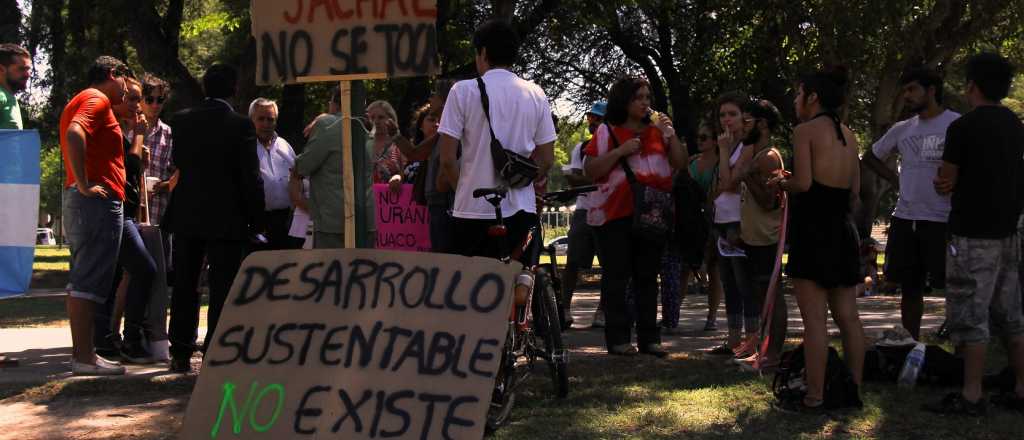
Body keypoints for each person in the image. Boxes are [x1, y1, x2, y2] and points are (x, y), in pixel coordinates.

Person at [927, 52, 1024, 416]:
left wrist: (945, 183)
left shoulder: (962, 128)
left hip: (972, 232)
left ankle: (971, 394)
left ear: (972, 86)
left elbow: (946, 179)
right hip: (1008, 230)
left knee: (971, 313)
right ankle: (1019, 387)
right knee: (1011, 312)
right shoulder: (1015, 125)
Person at [773, 67, 865, 412]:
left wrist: (784, 183)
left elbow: (805, 184)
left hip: (814, 229)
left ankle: (814, 396)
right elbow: (855, 193)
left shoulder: (804, 131)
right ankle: (852, 389)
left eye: (798, 94)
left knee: (815, 320)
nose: (796, 101)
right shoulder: (850, 134)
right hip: (842, 228)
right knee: (849, 317)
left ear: (812, 97)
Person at [163, 64, 265, 373]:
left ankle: (180, 351)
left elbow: (178, 162)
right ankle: (215, 350)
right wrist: (256, 220)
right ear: (234, 89)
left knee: (184, 283)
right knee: (222, 286)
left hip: (187, 213)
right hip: (227, 216)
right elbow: (250, 176)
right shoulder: (241, 126)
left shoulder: (181, 121)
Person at [583, 76, 688, 357]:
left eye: (647, 98)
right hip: (614, 214)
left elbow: (680, 163)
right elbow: (591, 170)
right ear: (624, 101)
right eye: (638, 97)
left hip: (652, 213)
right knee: (616, 276)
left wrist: (670, 133)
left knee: (646, 276)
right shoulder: (607, 131)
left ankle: (649, 339)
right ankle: (618, 339)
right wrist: (620, 151)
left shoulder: (656, 131)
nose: (645, 103)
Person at [437, 19, 555, 259]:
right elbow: (546, 159)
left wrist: (466, 191)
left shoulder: (462, 91)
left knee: (470, 288)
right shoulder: (535, 93)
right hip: (522, 209)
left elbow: (447, 160)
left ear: (482, 53)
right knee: (518, 279)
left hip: (472, 213)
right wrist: (522, 182)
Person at [862, 67, 959, 340]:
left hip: (944, 218)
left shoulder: (956, 123)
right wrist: (894, 179)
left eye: (912, 89)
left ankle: (960, 344)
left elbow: (976, 163)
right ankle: (909, 343)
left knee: (953, 286)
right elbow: (870, 156)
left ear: (931, 91)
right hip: (906, 217)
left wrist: (957, 181)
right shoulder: (902, 129)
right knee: (910, 287)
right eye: (905, 90)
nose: (907, 96)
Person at [59, 55, 132, 375]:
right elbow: (76, 133)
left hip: (88, 201)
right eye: (126, 80)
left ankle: (85, 354)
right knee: (89, 277)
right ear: (113, 74)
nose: (127, 89)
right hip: (95, 202)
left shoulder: (84, 99)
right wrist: (86, 184)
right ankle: (84, 357)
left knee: (85, 276)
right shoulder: (96, 98)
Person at [94, 76, 157, 364]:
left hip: (124, 209)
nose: (136, 104)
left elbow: (132, 170)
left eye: (137, 99)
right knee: (144, 268)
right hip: (112, 210)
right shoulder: (109, 125)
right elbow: (128, 165)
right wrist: (140, 135)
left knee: (115, 276)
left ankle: (107, 341)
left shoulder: (120, 128)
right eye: (130, 98)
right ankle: (127, 339)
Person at [734, 99, 787, 372]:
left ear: (762, 124)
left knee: (772, 296)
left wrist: (747, 177)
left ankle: (773, 355)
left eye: (746, 121)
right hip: (753, 238)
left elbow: (769, 201)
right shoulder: (756, 155)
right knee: (760, 295)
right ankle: (763, 352)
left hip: (767, 239)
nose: (742, 126)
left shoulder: (768, 157)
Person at [294, 87, 375, 248]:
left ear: (335, 104)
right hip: (366, 222)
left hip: (333, 224)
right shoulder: (368, 129)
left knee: (329, 271)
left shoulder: (327, 124)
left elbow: (303, 165)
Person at [710, 92, 758, 357]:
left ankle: (751, 340)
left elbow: (729, 183)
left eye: (732, 114)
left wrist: (725, 151)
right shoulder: (725, 145)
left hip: (739, 221)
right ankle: (732, 339)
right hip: (721, 218)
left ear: (744, 118)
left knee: (744, 282)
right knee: (728, 282)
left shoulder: (746, 147)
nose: (726, 120)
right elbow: (719, 185)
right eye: (722, 115)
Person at [564, 101, 605, 329]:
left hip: (608, 211)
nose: (593, 123)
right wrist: (594, 179)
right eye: (591, 118)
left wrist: (584, 179)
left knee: (610, 264)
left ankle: (602, 312)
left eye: (598, 119)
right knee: (572, 262)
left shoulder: (614, 148)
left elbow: (581, 178)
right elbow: (578, 181)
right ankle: (564, 309)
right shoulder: (580, 147)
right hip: (583, 209)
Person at [249, 98, 299, 250]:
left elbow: (297, 177)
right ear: (252, 120)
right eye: (261, 119)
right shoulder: (245, 147)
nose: (266, 124)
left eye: (270, 119)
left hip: (285, 221)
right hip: (255, 222)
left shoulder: (284, 146)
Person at [689, 120, 723, 331]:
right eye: (698, 137)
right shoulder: (692, 163)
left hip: (715, 218)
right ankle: (671, 316)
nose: (699, 141)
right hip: (694, 221)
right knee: (688, 265)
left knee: (715, 268)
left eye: (704, 138)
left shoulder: (722, 162)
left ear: (715, 141)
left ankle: (712, 317)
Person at [140, 73, 176, 226]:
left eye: (160, 100)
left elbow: (178, 172)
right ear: (140, 100)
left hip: (159, 214)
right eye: (149, 99)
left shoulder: (169, 134)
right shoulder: (127, 130)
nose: (155, 105)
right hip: (129, 212)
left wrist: (165, 185)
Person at [367, 100, 405, 191]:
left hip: (390, 200)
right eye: (372, 118)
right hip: (365, 200)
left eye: (381, 117)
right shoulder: (361, 145)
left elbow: (408, 172)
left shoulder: (399, 145)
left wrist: (398, 176)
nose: (376, 121)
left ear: (391, 119)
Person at [0, 43, 30, 129]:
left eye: (28, 69)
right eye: (21, 69)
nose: (27, 75)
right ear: (1, 69)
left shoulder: (7, 96)